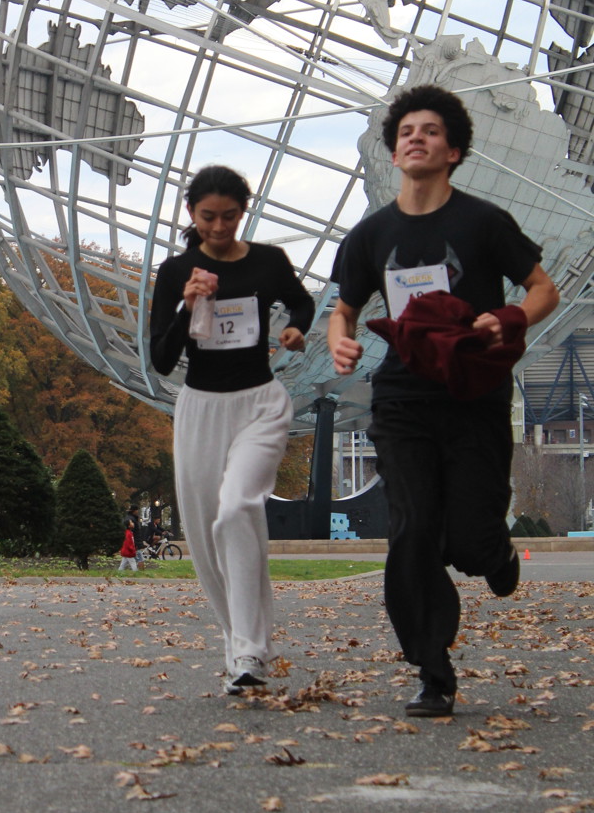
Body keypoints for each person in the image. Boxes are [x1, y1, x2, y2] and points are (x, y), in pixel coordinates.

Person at [328, 84, 559, 717]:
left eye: (430, 131)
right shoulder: (371, 234)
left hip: (472, 396)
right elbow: (344, 309)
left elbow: (543, 289)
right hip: (402, 400)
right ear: (394, 150)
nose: (416, 138)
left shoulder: (484, 222)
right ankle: (433, 670)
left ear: (452, 150)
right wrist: (341, 340)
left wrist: (508, 317)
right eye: (406, 131)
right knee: (413, 529)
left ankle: (494, 551)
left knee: (470, 541)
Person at [150, 164, 315, 693]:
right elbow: (161, 359)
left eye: (229, 216)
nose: (219, 227)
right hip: (201, 409)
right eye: (208, 217)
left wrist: (296, 328)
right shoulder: (176, 271)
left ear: (244, 212)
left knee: (238, 507)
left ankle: (249, 650)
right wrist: (188, 305)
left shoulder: (268, 261)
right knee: (204, 536)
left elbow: (303, 301)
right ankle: (239, 647)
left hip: (260, 404)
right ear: (190, 213)